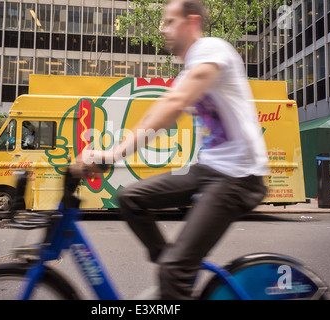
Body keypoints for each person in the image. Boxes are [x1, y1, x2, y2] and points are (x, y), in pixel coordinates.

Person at [74, 0, 268, 299]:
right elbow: (158, 116)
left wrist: (113, 155)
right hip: (209, 170)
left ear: (191, 22)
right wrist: (111, 151)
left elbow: (173, 104)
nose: (162, 29)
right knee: (130, 198)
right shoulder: (188, 71)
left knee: (173, 269)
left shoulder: (212, 50)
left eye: (169, 21)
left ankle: (174, 275)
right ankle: (174, 277)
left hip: (239, 177)